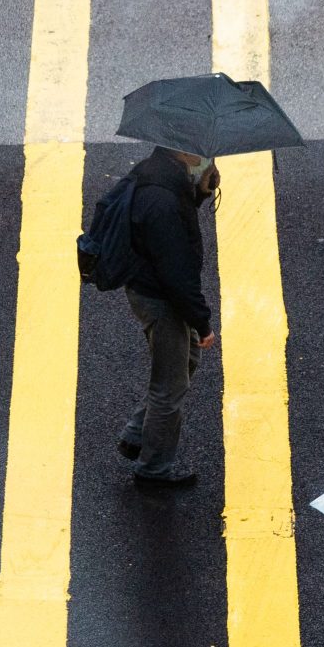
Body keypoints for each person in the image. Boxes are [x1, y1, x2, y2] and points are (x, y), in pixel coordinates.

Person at [115, 146, 220, 488]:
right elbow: (177, 271)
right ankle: (153, 470)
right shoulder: (161, 199)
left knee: (183, 360)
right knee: (169, 388)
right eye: (200, 153)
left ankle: (136, 435)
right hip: (161, 298)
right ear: (183, 152)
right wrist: (202, 322)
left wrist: (200, 194)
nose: (205, 158)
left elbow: (171, 233)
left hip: (150, 288)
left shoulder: (161, 174)